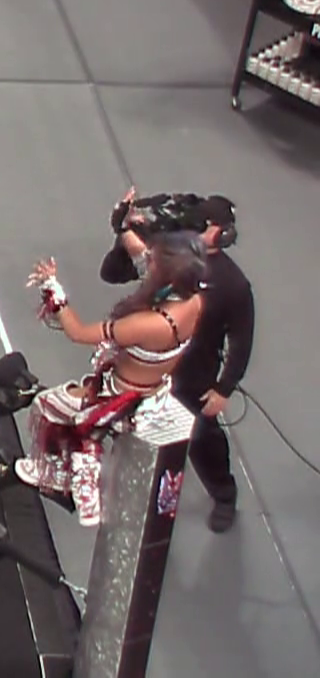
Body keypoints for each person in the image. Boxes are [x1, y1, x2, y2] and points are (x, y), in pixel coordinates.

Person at [15, 233, 207, 526]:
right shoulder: (194, 302)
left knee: (48, 406)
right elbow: (142, 255)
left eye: (153, 261)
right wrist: (127, 227)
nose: (147, 261)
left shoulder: (146, 325)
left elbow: (78, 333)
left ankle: (61, 475)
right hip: (152, 387)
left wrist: (53, 288)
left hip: (117, 394)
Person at [99, 191, 251, 532]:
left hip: (193, 376)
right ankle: (131, 487)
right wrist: (123, 235)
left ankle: (224, 495)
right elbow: (112, 273)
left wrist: (224, 388)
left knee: (203, 440)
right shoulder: (168, 256)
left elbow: (242, 340)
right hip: (148, 364)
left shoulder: (233, 285)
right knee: (128, 425)